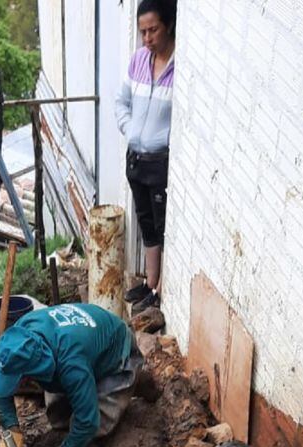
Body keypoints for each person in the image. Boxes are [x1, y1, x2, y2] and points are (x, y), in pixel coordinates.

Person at [0, 304, 143, 447]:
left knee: (98, 424)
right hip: (82, 346)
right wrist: (11, 427)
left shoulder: (71, 364)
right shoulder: (15, 339)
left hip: (115, 349)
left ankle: (138, 378)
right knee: (59, 415)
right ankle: (67, 437)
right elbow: (0, 388)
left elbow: (88, 421)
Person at [115, 0, 176, 316]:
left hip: (160, 162)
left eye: (153, 30)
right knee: (146, 223)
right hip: (136, 158)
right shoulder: (139, 60)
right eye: (143, 32)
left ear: (168, 25)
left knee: (164, 226)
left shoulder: (180, 67)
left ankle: (161, 290)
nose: (147, 39)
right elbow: (121, 102)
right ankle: (150, 283)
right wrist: (132, 129)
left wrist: (157, 139)